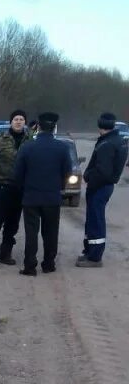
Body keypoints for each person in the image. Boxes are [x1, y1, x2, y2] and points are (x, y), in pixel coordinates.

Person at [12, 111, 72, 276]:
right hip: (52, 197)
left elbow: (17, 174)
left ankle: (30, 266)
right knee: (51, 232)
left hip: (31, 197)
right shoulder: (62, 148)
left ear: (38, 127)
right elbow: (68, 172)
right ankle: (48, 264)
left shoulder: (27, 147)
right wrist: (59, 187)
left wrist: (23, 189)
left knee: (31, 233)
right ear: (54, 128)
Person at [77, 112, 129, 268]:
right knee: (94, 219)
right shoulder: (117, 141)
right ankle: (90, 251)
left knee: (95, 221)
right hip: (105, 186)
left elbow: (103, 171)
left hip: (99, 187)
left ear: (100, 126)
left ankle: (94, 257)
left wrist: (88, 177)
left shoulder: (107, 144)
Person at [0, 109, 31, 268]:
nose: (18, 121)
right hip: (2, 186)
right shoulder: (0, 139)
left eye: (21, 119)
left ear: (25, 122)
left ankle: (5, 254)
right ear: (11, 122)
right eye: (16, 119)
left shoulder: (29, 141)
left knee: (13, 223)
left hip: (19, 188)